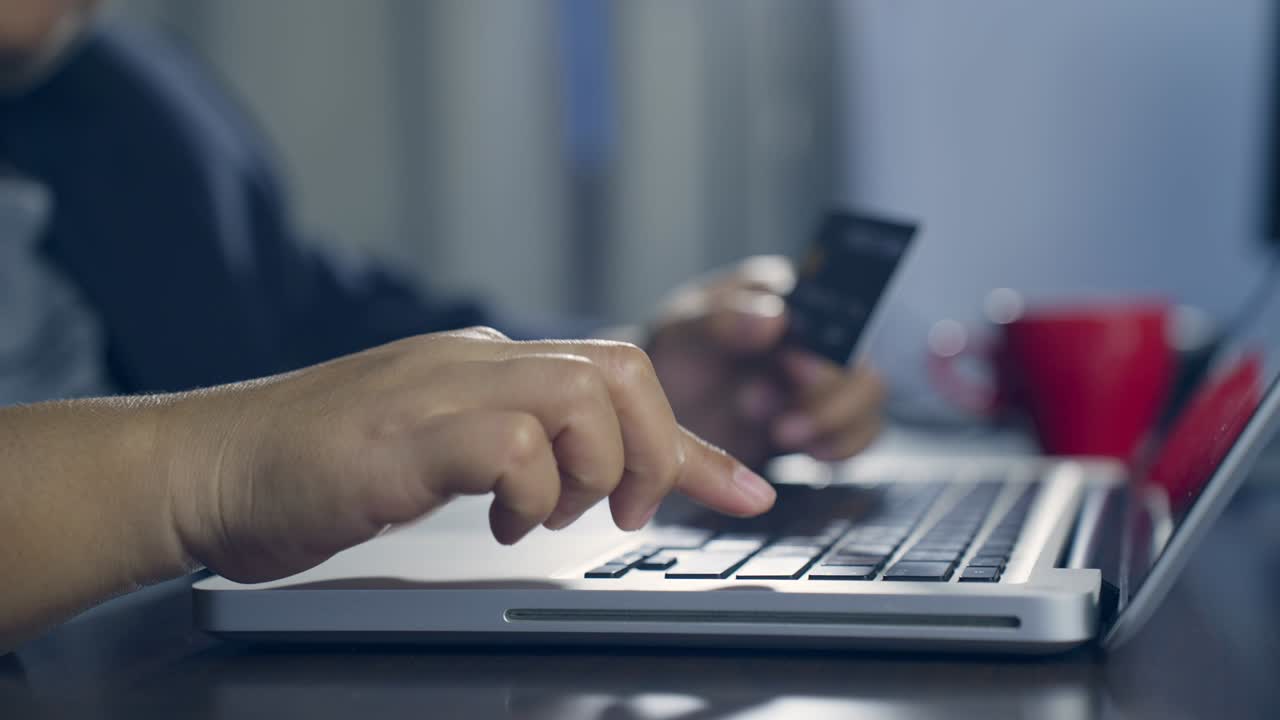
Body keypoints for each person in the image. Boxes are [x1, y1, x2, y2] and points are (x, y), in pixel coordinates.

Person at [0, 2, 884, 651]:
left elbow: (307, 318)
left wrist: (635, 379)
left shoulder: (104, 80)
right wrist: (210, 467)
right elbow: (249, 427)